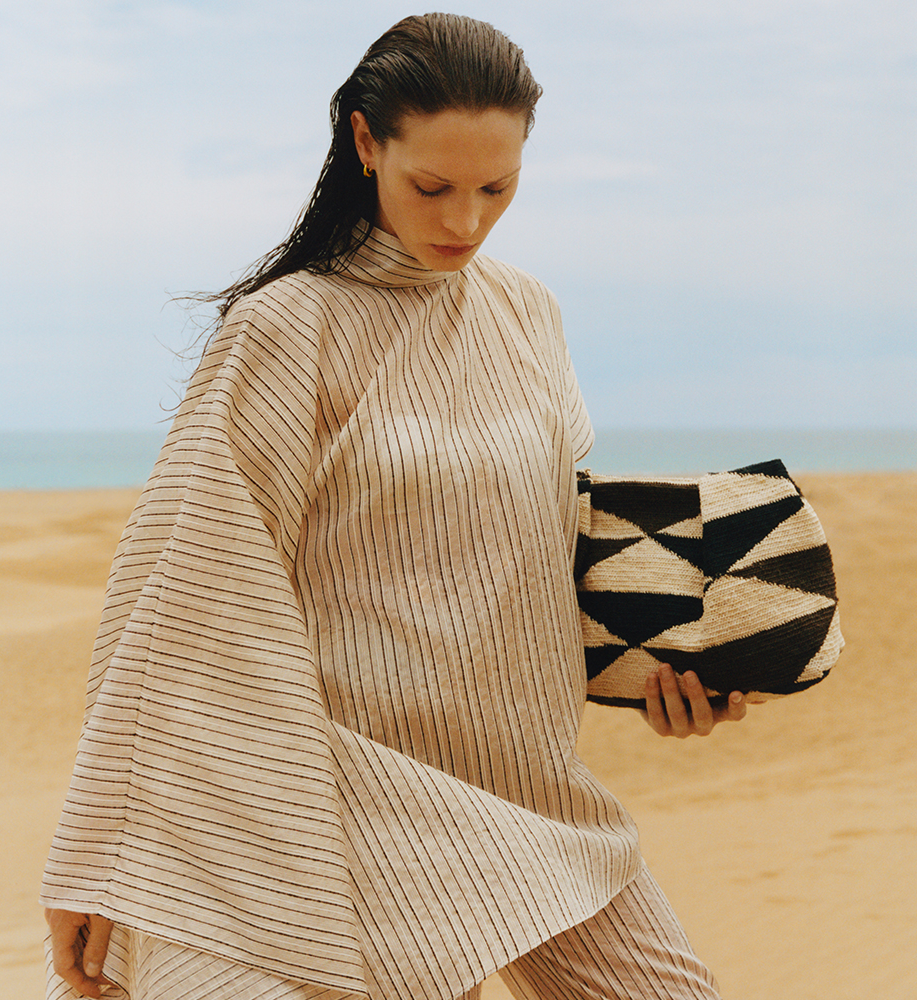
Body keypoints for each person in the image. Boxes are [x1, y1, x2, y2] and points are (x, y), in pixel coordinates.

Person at [42, 13, 749, 1000]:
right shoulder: (288, 327)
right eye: (433, 186)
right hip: (349, 795)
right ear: (366, 143)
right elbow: (184, 586)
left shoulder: (526, 313)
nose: (465, 221)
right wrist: (101, 851)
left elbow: (541, 547)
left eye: (496, 189)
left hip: (529, 786)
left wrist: (666, 667)